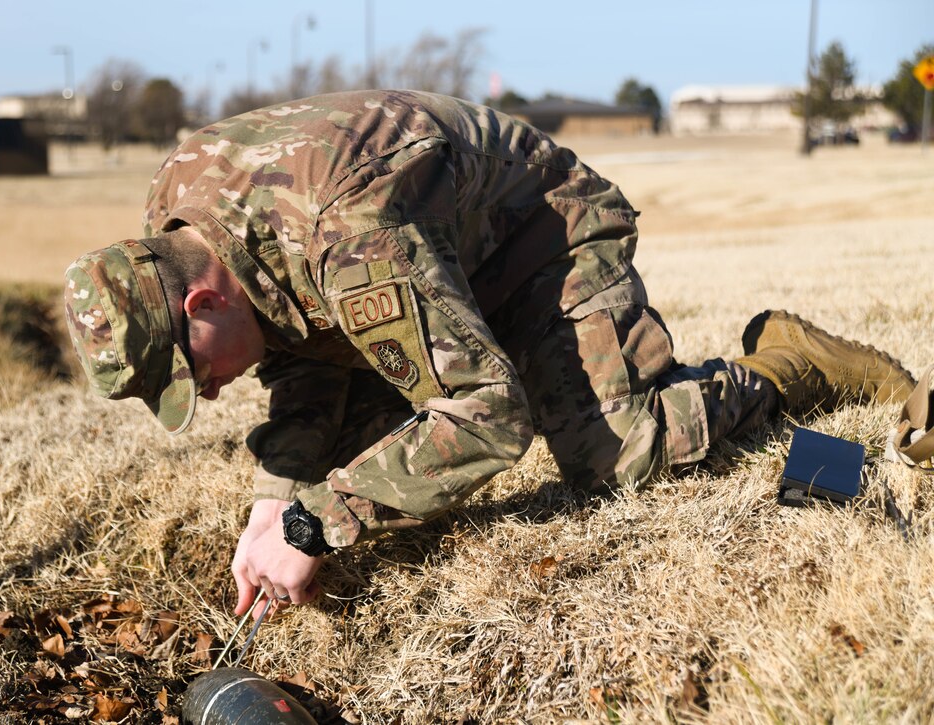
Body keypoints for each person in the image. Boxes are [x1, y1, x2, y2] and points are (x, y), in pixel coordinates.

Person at [63, 90, 915, 615]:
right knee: (355, 439)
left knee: (619, 453)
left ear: (202, 300)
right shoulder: (177, 211)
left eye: (190, 369)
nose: (207, 393)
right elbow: (301, 348)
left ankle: (787, 366)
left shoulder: (350, 244)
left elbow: (489, 417)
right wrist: (276, 498)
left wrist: (318, 522)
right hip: (429, 259)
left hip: (540, 238)